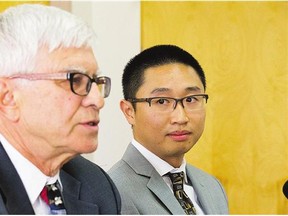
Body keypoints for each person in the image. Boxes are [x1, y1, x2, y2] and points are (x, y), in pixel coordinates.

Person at [0, 3, 121, 214]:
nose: (97, 100)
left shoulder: (97, 185)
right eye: (75, 80)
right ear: (8, 98)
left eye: (95, 81)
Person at [108, 44, 229, 214]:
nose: (181, 118)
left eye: (191, 99)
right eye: (162, 101)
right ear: (129, 112)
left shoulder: (212, 186)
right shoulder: (112, 193)